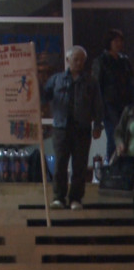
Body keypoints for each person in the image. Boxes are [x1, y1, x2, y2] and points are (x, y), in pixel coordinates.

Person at [44, 46, 104, 210]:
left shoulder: (91, 82)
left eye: (82, 60)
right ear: (68, 60)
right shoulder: (56, 80)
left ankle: (75, 198)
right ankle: (58, 197)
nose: (78, 63)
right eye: (75, 59)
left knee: (79, 166)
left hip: (82, 129)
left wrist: (98, 125)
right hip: (61, 129)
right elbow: (42, 96)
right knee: (60, 165)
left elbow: (98, 105)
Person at [91, 29, 134, 160]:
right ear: (109, 42)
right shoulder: (101, 61)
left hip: (126, 105)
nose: (119, 43)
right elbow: (96, 86)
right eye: (116, 41)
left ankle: (125, 169)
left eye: (121, 41)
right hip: (109, 106)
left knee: (127, 137)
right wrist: (97, 120)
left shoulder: (124, 61)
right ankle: (112, 168)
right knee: (114, 136)